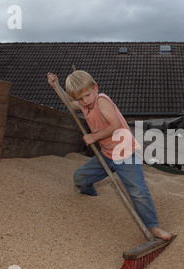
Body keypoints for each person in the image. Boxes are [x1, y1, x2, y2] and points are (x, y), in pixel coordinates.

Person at [47, 71, 172, 241]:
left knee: (137, 192)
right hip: (107, 155)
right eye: (80, 99)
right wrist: (56, 86)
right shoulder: (85, 104)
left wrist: (93, 137)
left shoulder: (101, 101)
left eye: (87, 95)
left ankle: (154, 227)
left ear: (95, 88)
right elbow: (69, 103)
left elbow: (114, 125)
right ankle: (90, 193)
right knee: (79, 178)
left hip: (126, 154)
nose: (85, 101)